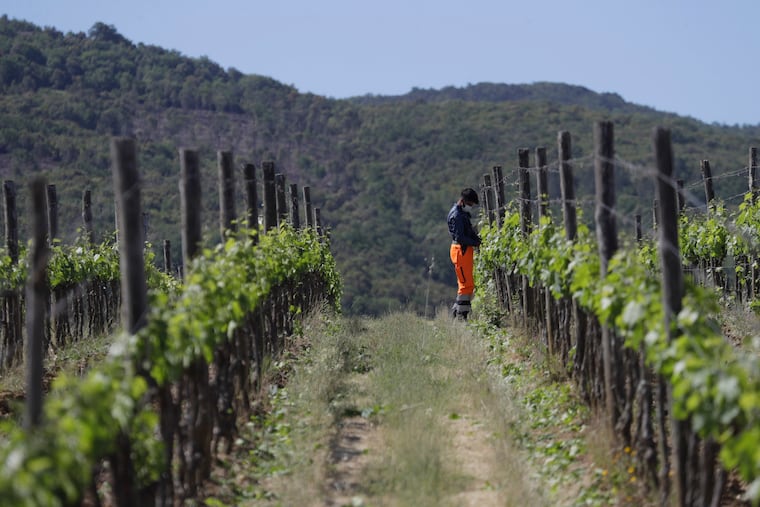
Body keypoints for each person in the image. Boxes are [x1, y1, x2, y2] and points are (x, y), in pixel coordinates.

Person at [447, 188, 481, 320]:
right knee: (464, 284)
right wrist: (476, 243)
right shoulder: (457, 215)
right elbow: (460, 237)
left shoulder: (462, 213)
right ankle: (460, 315)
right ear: (463, 201)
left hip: (464, 250)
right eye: (471, 204)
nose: (471, 207)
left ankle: (461, 313)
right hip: (461, 250)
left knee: (468, 283)